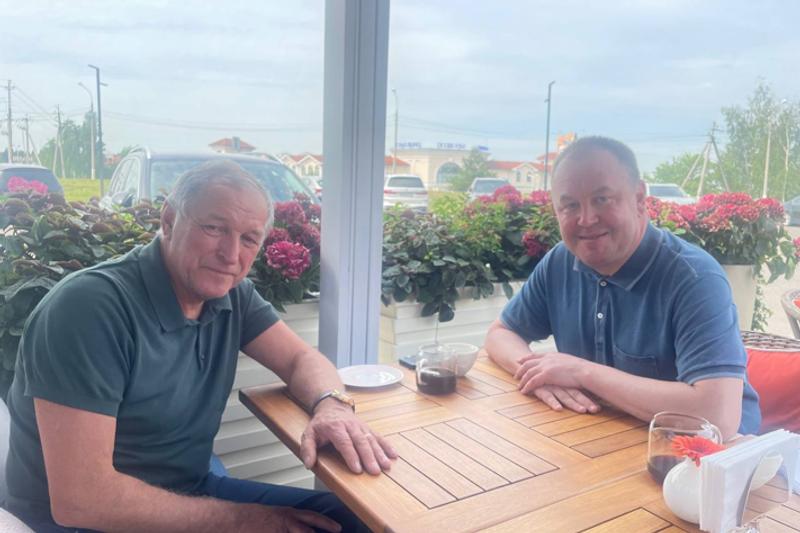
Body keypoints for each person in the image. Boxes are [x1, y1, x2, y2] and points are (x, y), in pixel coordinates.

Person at [4, 160, 396, 532]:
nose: (230, 254)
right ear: (169, 221)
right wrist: (242, 522)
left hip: (188, 489)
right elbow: (83, 500)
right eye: (213, 228)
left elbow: (299, 358)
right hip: (83, 524)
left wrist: (331, 406)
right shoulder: (89, 309)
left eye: (249, 239)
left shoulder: (232, 295)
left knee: (352, 520)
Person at [485, 136, 760, 440]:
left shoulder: (694, 277)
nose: (586, 219)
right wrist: (540, 375)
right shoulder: (560, 262)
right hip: (604, 436)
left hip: (707, 455)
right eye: (570, 205)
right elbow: (501, 333)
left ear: (639, 198)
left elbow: (718, 415)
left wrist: (581, 372)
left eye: (602, 199)